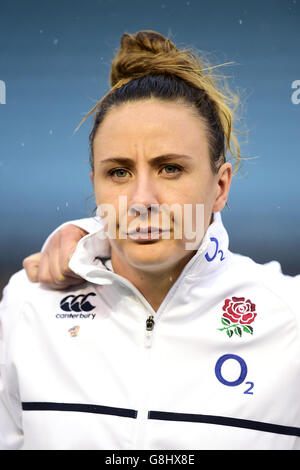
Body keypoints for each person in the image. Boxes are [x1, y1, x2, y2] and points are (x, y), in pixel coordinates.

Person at [1, 30, 300, 451]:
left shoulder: (290, 320)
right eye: (119, 172)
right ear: (95, 185)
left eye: (170, 168)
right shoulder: (28, 306)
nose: (141, 201)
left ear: (220, 186)